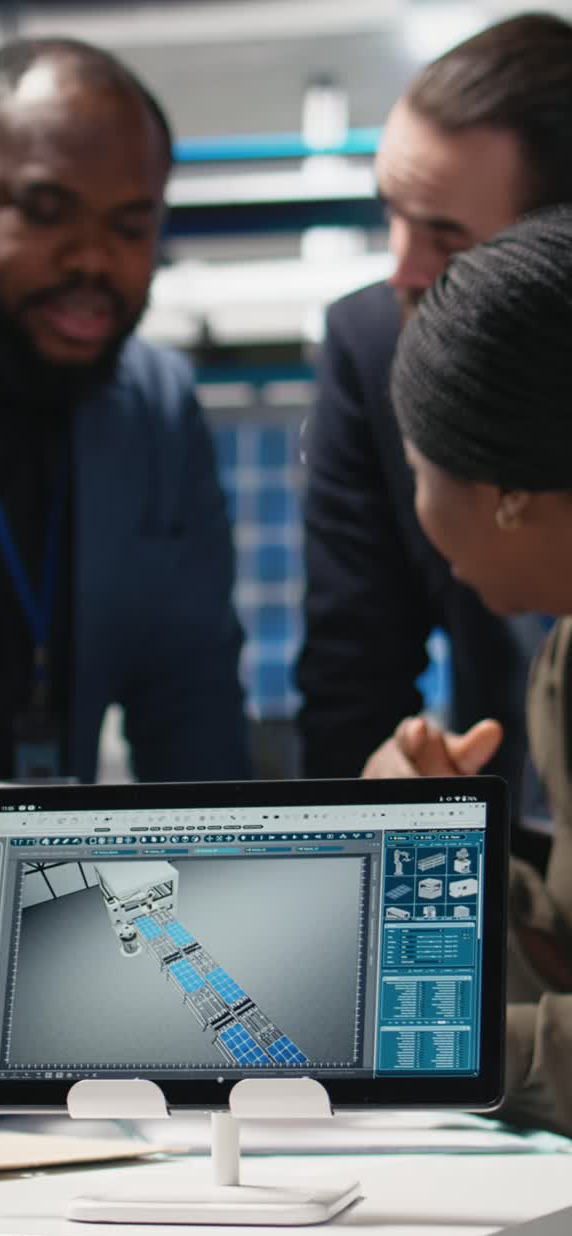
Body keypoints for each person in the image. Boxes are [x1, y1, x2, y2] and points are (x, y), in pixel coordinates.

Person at [0, 36, 249, 905]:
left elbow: (190, 697)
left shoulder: (154, 405)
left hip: (44, 919)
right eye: (44, 210)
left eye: (131, 225)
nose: (93, 261)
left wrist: (229, 893)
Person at [297, 13, 572, 815]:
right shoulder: (371, 343)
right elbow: (352, 668)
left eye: (446, 239)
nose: (402, 269)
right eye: (391, 211)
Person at [379, 205, 572, 1134]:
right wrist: (443, 852)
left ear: (506, 496)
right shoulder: (565, 656)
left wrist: (418, 1049)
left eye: (419, 463)